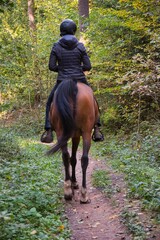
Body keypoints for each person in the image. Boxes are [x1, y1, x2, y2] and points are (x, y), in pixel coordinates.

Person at [41, 19, 104, 143]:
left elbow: (52, 66)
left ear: (62, 31)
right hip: (79, 78)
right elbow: (88, 66)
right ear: (74, 31)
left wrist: (63, 68)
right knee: (93, 99)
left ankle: (48, 131)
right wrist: (77, 68)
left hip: (62, 80)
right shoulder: (80, 46)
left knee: (49, 102)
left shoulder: (56, 46)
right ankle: (97, 128)